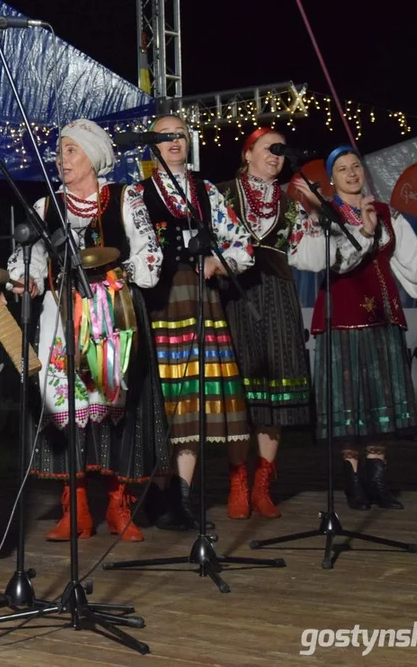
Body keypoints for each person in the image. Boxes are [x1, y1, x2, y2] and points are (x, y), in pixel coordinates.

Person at [5, 119, 169, 543]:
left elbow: (150, 255)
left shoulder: (126, 198)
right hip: (63, 319)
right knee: (68, 411)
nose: (62, 160)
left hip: (115, 317)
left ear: (94, 155)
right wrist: (25, 276)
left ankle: (118, 503)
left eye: (71, 151)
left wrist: (117, 278)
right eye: (60, 152)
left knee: (115, 406)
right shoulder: (46, 206)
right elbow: (29, 261)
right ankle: (74, 506)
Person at [293, 147, 417, 510]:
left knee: (380, 398)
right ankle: (352, 479)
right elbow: (332, 263)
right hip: (343, 317)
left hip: (383, 315)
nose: (352, 173)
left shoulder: (387, 213)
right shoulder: (326, 215)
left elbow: (411, 260)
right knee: (349, 399)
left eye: (356, 166)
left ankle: (377, 476)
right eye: (342, 169)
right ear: (332, 177)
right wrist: (362, 230)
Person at [136, 114, 254, 531]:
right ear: (153, 145)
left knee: (193, 398)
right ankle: (157, 491)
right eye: (165, 137)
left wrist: (217, 263)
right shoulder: (136, 194)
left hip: (199, 298)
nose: (173, 142)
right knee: (161, 400)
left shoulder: (206, 191)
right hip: (157, 302)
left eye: (180, 136)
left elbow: (241, 244)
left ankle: (182, 496)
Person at [217, 128, 317, 519]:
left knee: (275, 391)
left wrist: (312, 212)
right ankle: (238, 480)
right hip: (235, 293)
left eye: (281, 151)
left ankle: (262, 483)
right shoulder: (222, 193)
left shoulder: (291, 202)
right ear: (248, 153)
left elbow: (308, 256)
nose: (276, 156)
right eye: (269, 149)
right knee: (240, 392)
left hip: (277, 294)